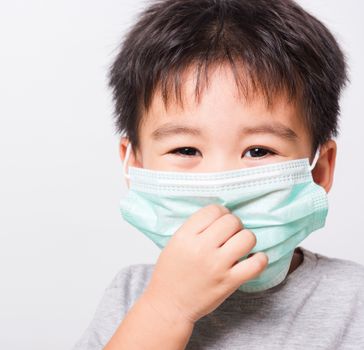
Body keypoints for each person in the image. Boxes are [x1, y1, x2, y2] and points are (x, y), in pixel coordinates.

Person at [73, 0, 364, 349]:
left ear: (319, 170)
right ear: (134, 166)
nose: (221, 185)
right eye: (186, 150)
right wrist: (168, 308)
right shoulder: (132, 296)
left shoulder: (355, 300)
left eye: (258, 150)